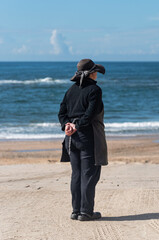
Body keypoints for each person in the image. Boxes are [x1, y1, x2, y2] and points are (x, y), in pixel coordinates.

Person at [58, 59, 108, 221]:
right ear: (91, 74)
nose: (96, 75)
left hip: (70, 138)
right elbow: (90, 114)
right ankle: (86, 212)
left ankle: (76, 210)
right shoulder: (95, 90)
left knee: (77, 175)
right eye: (95, 72)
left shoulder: (70, 90)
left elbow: (62, 113)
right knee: (89, 174)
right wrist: (77, 125)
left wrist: (67, 125)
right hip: (88, 137)